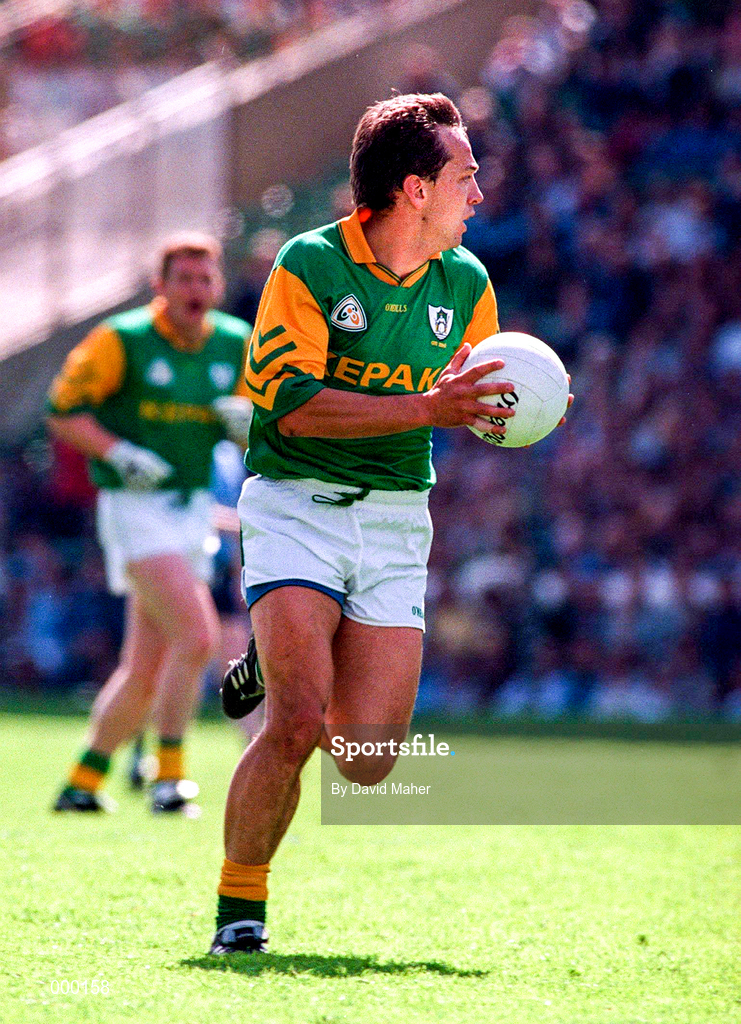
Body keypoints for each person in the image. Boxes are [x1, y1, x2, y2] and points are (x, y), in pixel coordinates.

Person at [209, 93, 573, 954]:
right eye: (464, 176)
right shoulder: (308, 263)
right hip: (296, 504)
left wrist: (524, 408)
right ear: (414, 189)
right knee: (296, 722)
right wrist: (428, 407)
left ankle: (274, 652)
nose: (477, 193)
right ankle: (240, 910)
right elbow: (292, 406)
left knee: (366, 763)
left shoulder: (466, 282)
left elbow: (471, 398)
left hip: (397, 520)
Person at [48, 232, 254, 815]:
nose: (195, 289)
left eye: (205, 278)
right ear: (160, 286)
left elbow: (254, 424)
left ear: (218, 285)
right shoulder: (122, 339)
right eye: (183, 278)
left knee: (143, 670)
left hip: (192, 508)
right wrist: (117, 452)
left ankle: (82, 783)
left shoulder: (234, 342)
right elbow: (62, 411)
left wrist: (246, 427)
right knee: (199, 638)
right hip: (135, 509)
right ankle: (168, 779)